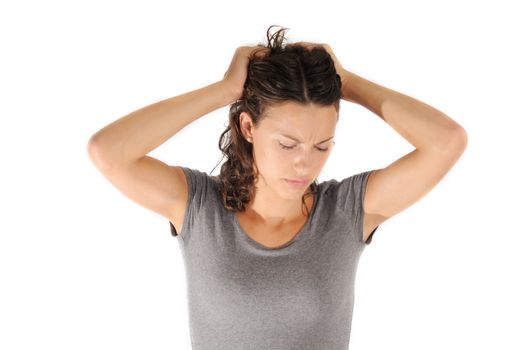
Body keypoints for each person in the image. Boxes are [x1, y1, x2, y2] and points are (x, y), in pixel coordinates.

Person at [87, 25, 467, 350]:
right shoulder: (199, 207)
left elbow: (447, 141)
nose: (305, 162)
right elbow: (108, 150)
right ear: (248, 128)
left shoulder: (348, 211)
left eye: (322, 146)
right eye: (287, 144)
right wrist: (224, 91)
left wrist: (346, 81)